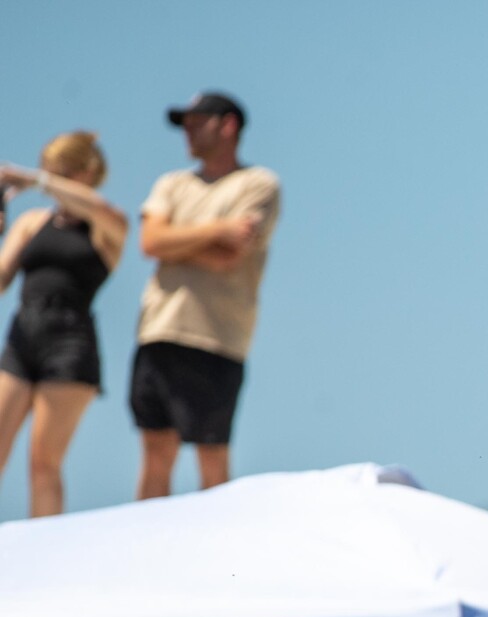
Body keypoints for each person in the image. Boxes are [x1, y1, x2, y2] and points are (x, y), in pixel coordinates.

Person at [131, 91, 280, 498]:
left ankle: (220, 540)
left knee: (211, 457)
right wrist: (217, 230)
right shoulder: (172, 183)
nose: (189, 133)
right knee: (155, 452)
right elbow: (150, 241)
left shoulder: (258, 184)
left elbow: (229, 256)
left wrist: (175, 243)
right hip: (158, 328)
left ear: (228, 125)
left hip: (216, 337)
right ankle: (144, 535)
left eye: (198, 123)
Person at [0, 133, 125, 516]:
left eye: (63, 173)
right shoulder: (32, 223)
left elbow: (96, 207)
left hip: (70, 344)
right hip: (23, 336)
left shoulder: (107, 225)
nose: (53, 180)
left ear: (88, 172)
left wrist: (34, 179)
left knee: (43, 461)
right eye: (50, 171)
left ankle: (46, 544)